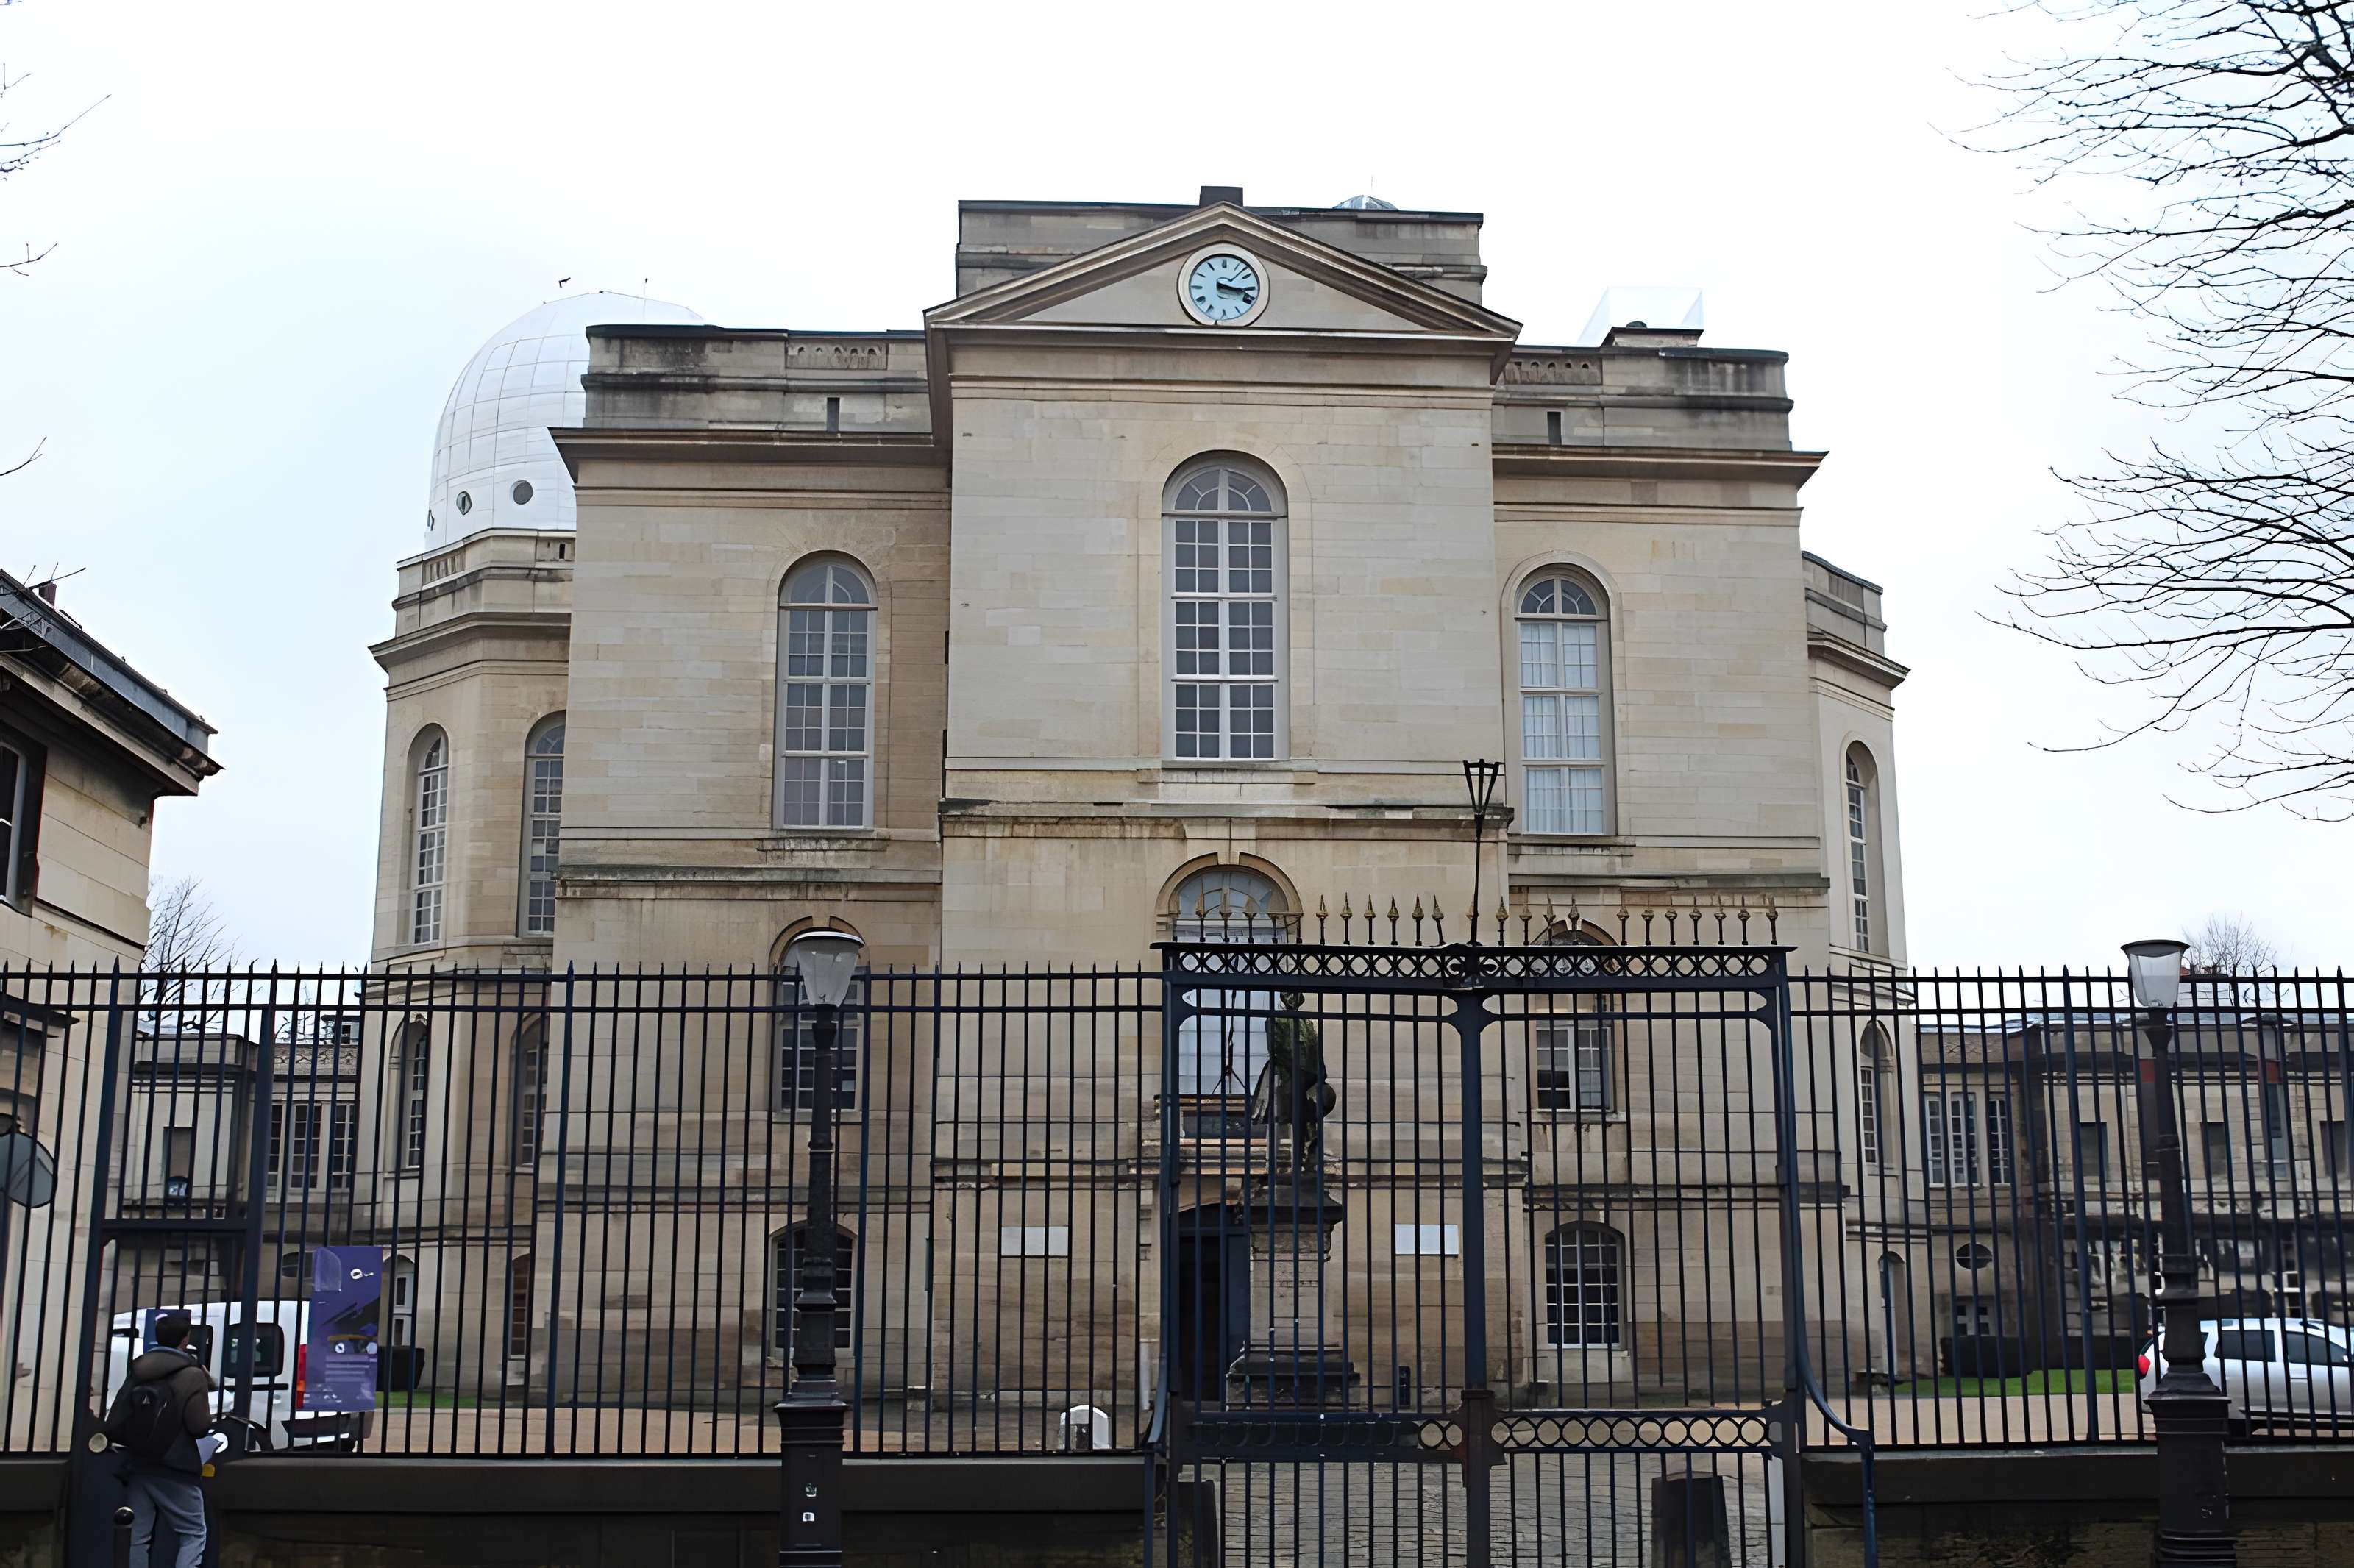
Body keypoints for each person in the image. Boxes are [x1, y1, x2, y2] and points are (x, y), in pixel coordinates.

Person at [106, 1311, 215, 1568]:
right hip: (174, 1465)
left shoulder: (139, 1369)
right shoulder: (191, 1374)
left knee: (137, 1535)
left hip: (138, 1463)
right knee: (193, 1533)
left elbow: (117, 1417)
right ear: (185, 1339)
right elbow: (199, 1427)